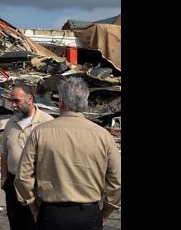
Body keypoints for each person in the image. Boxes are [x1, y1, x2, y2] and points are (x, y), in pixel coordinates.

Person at [14, 77, 121, 230]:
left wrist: (33, 208)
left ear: (61, 102)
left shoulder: (40, 133)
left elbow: (23, 177)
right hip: (88, 215)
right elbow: (117, 182)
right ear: (85, 102)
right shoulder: (103, 136)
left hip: (51, 214)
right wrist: (104, 213)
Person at [1, 83, 53, 230]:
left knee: (36, 224)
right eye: (11, 101)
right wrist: (4, 179)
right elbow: (4, 152)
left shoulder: (47, 122)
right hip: (13, 184)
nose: (12, 105)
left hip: (37, 186)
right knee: (16, 224)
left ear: (30, 99)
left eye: (16, 101)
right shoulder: (11, 123)